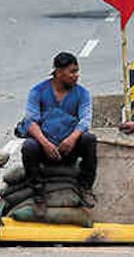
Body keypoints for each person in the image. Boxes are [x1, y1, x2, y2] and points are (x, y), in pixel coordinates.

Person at [20, 52, 97, 211]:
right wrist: (45, 144)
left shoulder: (83, 93)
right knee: (29, 146)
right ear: (59, 72)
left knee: (89, 139)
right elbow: (30, 122)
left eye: (77, 71)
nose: (76, 76)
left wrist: (72, 139)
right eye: (72, 72)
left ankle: (85, 187)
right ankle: (37, 189)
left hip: (69, 148)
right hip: (46, 148)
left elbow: (85, 121)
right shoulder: (38, 91)